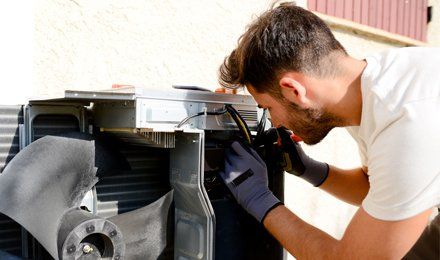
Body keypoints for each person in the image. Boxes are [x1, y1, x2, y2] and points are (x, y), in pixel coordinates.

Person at [218, 3, 440, 259]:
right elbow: (380, 190)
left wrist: (259, 200)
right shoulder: (377, 86)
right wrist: (309, 169)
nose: (274, 122)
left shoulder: (407, 124)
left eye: (268, 107)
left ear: (294, 91)